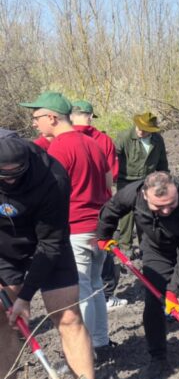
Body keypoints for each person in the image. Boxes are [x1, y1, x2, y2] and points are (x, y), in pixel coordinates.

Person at [0, 131, 95, 379]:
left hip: (48, 244)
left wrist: (26, 297)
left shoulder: (53, 177)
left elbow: (51, 244)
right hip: (4, 248)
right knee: (3, 320)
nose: (11, 182)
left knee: (67, 316)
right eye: (4, 177)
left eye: (17, 175)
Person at [96, 171, 179, 377]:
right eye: (159, 206)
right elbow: (112, 208)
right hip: (157, 248)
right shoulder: (132, 193)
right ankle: (158, 358)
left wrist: (173, 291)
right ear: (145, 195)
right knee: (154, 300)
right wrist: (103, 234)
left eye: (171, 204)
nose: (165, 210)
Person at [20, 92, 112, 355]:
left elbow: (51, 191)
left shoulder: (61, 147)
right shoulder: (93, 143)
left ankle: (87, 351)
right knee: (95, 286)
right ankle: (100, 341)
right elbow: (108, 184)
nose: (34, 123)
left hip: (75, 227)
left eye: (36, 117)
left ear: (52, 117)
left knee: (80, 291)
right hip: (99, 225)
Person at [69, 100, 125, 310]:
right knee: (103, 256)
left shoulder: (61, 141)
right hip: (100, 210)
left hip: (72, 215)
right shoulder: (103, 141)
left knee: (82, 277)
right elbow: (112, 175)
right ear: (91, 116)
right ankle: (108, 296)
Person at [113, 112, 170, 252]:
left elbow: (162, 163)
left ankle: (146, 247)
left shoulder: (158, 140)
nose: (140, 131)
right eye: (138, 127)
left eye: (144, 129)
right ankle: (125, 247)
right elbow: (112, 156)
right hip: (125, 181)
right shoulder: (124, 137)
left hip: (147, 183)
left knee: (145, 214)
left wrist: (164, 180)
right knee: (126, 216)